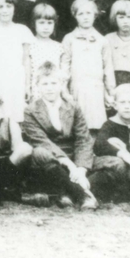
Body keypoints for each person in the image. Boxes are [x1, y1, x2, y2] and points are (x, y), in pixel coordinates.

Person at [21, 65, 99, 210]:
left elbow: (83, 138)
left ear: (61, 84)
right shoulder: (30, 110)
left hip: (74, 156)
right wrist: (70, 166)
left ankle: (65, 193)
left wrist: (80, 170)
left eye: (53, 83)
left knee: (115, 164)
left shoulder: (73, 107)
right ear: (37, 86)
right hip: (49, 159)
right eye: (44, 84)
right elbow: (41, 141)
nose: (49, 88)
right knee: (39, 152)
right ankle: (82, 195)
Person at [61, 0, 114, 131]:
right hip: (77, 86)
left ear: (95, 15)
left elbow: (108, 67)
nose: (85, 17)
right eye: (81, 14)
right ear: (74, 16)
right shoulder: (69, 39)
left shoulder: (102, 40)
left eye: (88, 13)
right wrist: (64, 88)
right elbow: (64, 65)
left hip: (96, 87)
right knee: (79, 121)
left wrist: (110, 92)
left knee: (96, 121)